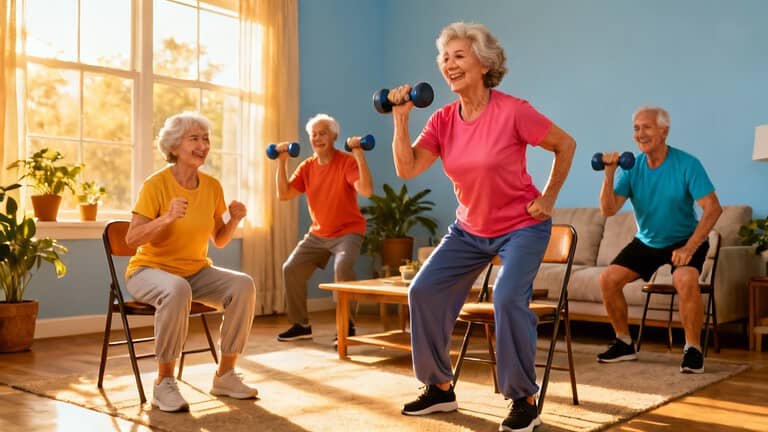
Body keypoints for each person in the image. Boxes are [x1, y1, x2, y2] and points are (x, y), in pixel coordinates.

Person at [386, 22, 575, 432]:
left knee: (508, 296)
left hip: (522, 226)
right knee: (423, 290)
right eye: (444, 58)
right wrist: (400, 120)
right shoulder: (442, 120)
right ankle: (438, 388)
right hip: (469, 229)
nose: (448, 65)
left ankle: (523, 399)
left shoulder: (513, 111)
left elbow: (566, 144)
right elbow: (408, 168)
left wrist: (548, 197)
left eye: (459, 56)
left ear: (485, 64)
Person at [125, 112, 258, 412]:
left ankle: (225, 374)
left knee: (243, 285)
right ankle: (164, 382)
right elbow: (132, 239)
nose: (203, 145)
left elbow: (220, 239)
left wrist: (234, 219)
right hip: (149, 271)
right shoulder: (155, 185)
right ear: (174, 147)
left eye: (206, 139)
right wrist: (167, 217)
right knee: (177, 289)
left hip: (195, 271)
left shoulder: (212, 186)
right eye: (194, 139)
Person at [596, 106, 722, 373]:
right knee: (608, 279)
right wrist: (609, 173)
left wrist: (690, 247)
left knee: (685, 279)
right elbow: (608, 210)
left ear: (664, 131)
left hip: (684, 239)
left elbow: (713, 208)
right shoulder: (631, 168)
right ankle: (624, 342)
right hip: (647, 242)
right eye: (636, 128)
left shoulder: (687, 164)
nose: (640, 134)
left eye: (647, 127)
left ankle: (692, 349)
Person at [274, 113, 373, 342]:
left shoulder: (346, 162)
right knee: (291, 268)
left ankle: (346, 326)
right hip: (318, 233)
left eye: (323, 133)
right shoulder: (307, 166)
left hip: (348, 231)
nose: (317, 138)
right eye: (314, 135)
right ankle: (300, 325)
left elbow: (366, 190)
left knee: (343, 267)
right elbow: (284, 194)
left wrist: (358, 154)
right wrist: (281, 161)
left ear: (334, 136)